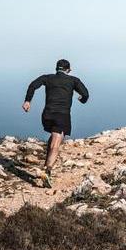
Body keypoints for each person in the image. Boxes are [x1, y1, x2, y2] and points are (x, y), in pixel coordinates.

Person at [23, 59, 89, 187]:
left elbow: (33, 85)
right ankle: (47, 172)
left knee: (53, 138)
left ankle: (46, 164)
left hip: (47, 115)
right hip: (61, 116)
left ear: (56, 69)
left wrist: (27, 101)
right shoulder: (73, 80)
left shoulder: (47, 78)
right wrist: (82, 99)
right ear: (68, 70)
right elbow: (85, 94)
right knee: (55, 144)